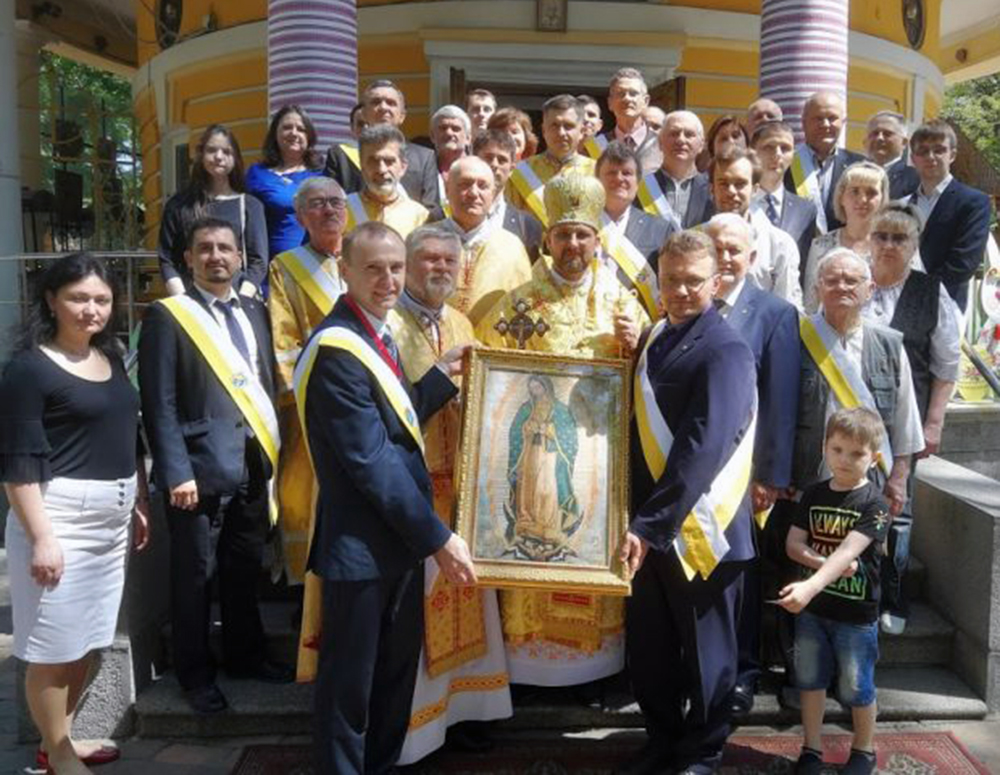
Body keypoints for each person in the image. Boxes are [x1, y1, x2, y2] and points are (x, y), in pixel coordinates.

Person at [293, 221, 475, 775]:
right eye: (372, 268)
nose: (388, 279)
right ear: (343, 271)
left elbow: (393, 427)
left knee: (393, 681)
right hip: (360, 551)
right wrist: (439, 538)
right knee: (350, 692)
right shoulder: (338, 347)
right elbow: (371, 463)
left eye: (396, 267)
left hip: (393, 546)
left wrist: (439, 379)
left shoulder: (376, 332)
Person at [478, 175, 647, 688]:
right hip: (535, 450)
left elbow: (650, 383)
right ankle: (529, 674)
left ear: (598, 241)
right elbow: (493, 381)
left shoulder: (623, 305)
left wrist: (637, 346)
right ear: (546, 241)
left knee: (590, 548)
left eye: (582, 236)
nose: (573, 246)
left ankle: (597, 674)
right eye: (563, 235)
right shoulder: (518, 305)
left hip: (597, 457)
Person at [1, 254, 149, 775]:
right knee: (51, 645)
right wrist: (42, 537)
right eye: (78, 298)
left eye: (102, 299)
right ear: (51, 300)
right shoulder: (28, 369)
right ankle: (58, 753)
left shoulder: (109, 355)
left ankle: (57, 739)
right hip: (58, 518)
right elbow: (18, 464)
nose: (91, 309)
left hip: (111, 519)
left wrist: (139, 501)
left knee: (87, 637)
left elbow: (126, 436)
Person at [140, 216, 292, 715]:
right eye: (203, 248)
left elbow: (265, 380)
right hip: (197, 471)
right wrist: (175, 471)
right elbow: (157, 402)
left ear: (239, 256)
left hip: (252, 464)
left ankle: (246, 657)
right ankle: (195, 672)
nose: (215, 256)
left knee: (243, 569)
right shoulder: (169, 316)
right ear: (188, 258)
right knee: (194, 577)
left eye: (225, 247)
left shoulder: (253, 308)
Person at [621, 229, 757, 775]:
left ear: (717, 282)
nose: (680, 290)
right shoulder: (657, 336)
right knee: (651, 647)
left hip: (702, 529)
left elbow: (705, 447)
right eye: (671, 280)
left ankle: (703, 750)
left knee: (707, 653)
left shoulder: (727, 348)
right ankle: (662, 738)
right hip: (649, 529)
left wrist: (649, 526)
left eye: (693, 281)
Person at [770, 248, 923, 709]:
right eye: (831, 280)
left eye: (851, 281)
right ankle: (801, 677)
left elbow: (906, 424)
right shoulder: (794, 339)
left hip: (864, 498)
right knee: (798, 583)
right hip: (806, 492)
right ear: (816, 287)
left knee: (855, 587)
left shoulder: (890, 343)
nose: (841, 288)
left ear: (869, 288)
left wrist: (897, 481)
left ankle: (851, 681)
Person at [387, 225, 512, 763]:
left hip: (464, 490)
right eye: (428, 259)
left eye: (448, 261)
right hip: (414, 494)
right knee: (418, 618)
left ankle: (466, 716)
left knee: (467, 602)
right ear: (408, 265)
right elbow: (390, 417)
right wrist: (441, 379)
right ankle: (417, 732)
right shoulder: (388, 325)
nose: (439, 268)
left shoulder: (461, 321)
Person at [706, 214, 800, 717]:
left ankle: (742, 672)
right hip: (690, 470)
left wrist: (770, 475)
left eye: (734, 249)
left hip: (743, 479)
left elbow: (781, 401)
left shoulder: (774, 312)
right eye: (715, 246)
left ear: (753, 257)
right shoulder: (687, 303)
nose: (724, 256)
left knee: (741, 574)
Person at [863, 204, 961, 635]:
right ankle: (857, 593)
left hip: (906, 425)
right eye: (881, 236)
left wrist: (935, 423)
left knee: (897, 513)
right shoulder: (852, 279)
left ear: (914, 245)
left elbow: (946, 366)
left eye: (898, 238)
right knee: (851, 508)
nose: (888, 245)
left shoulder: (932, 291)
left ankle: (893, 595)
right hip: (852, 425)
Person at [779, 408, 892, 775]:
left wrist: (812, 584)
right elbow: (794, 545)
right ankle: (811, 748)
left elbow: (849, 551)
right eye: (837, 449)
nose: (844, 460)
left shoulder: (875, 504)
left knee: (857, 687)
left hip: (856, 617)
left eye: (856, 453)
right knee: (810, 682)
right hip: (814, 613)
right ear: (825, 448)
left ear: (873, 458)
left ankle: (864, 750)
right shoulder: (813, 494)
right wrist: (820, 569)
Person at [267, 177, 348, 594]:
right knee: (306, 496)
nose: (329, 210)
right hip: (311, 408)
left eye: (336, 202)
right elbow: (285, 342)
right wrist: (314, 397)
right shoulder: (286, 267)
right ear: (300, 216)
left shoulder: (363, 257)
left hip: (364, 402)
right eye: (317, 204)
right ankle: (306, 595)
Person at [157, 124, 268, 298]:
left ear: (236, 158)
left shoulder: (250, 205)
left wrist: (242, 301)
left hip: (236, 299)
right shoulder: (178, 205)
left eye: (226, 152)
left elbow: (258, 262)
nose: (218, 157)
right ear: (200, 155)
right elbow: (167, 259)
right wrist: (184, 302)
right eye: (211, 150)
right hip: (190, 300)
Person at [908, 119, 993, 312]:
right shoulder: (903, 202)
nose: (931, 156)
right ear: (913, 159)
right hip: (899, 306)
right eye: (923, 151)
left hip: (945, 308)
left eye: (939, 150)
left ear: (952, 155)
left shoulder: (974, 202)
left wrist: (916, 293)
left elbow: (963, 264)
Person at [438, 156, 532, 325]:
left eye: (483, 186)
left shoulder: (512, 247)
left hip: (493, 348)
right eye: (465, 184)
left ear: (493, 193)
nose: (474, 193)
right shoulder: (424, 240)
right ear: (447, 188)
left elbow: (523, 309)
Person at [708, 147, 803, 308]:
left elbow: (787, 310)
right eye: (723, 184)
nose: (731, 192)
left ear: (755, 190)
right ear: (712, 189)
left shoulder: (780, 245)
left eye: (740, 184)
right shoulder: (694, 240)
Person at [324, 79, 439, 209]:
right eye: (376, 102)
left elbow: (432, 210)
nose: (384, 107)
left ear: (402, 116)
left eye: (391, 103)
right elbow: (331, 207)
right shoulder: (342, 157)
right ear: (364, 114)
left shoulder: (425, 157)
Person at [597, 141, 677, 320]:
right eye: (611, 172)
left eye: (627, 173)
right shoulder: (581, 225)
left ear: (638, 182)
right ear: (597, 180)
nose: (619, 178)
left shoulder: (661, 229)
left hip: (640, 328)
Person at [802, 161, 889, 313]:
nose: (862, 199)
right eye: (855, 191)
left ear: (882, 199)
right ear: (841, 197)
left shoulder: (896, 245)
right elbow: (811, 303)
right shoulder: (821, 245)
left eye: (871, 192)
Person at [245, 105, 326, 258]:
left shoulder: (322, 175)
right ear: (275, 133)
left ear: (309, 136)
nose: (294, 133)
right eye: (287, 127)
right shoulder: (257, 173)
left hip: (314, 267)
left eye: (301, 129)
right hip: (270, 267)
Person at [507, 94, 595, 227]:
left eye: (568, 126)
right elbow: (510, 221)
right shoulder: (521, 172)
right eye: (554, 125)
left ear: (582, 131)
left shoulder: (597, 172)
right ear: (543, 130)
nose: (561, 133)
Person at [784, 91, 866, 234]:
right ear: (803, 123)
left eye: (832, 118)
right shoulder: (786, 163)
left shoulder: (859, 165)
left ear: (843, 122)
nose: (825, 125)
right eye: (818, 118)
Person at [750, 120, 817, 269]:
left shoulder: (806, 210)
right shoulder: (739, 202)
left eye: (785, 148)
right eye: (769, 147)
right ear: (753, 152)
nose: (777, 154)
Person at [345, 125, 429, 238]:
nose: (381, 169)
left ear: (403, 167)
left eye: (389, 161)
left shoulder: (420, 216)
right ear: (362, 166)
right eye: (373, 161)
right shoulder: (343, 210)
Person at [473, 129, 544, 261]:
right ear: (474, 160)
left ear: (512, 169)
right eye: (488, 157)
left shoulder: (528, 226)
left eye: (502, 160)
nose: (494, 164)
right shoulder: (451, 214)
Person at [637, 110, 714, 229]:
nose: (681, 140)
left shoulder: (712, 189)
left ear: (701, 145)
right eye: (674, 134)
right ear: (660, 142)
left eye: (689, 134)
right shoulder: (642, 188)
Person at [582, 68, 662, 175]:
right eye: (620, 93)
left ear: (645, 101)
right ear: (610, 103)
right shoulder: (596, 146)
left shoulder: (663, 146)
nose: (627, 98)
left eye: (633, 93)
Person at [865, 111, 919, 200]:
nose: (879, 138)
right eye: (874, 133)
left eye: (887, 134)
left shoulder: (914, 178)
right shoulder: (852, 173)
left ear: (904, 142)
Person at [430, 105, 472, 216]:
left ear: (468, 138)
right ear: (432, 136)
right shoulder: (423, 170)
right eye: (443, 128)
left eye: (456, 129)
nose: (449, 133)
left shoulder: (480, 169)